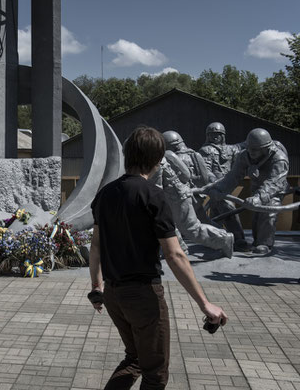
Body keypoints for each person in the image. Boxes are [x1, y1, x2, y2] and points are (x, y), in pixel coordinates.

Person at [89, 127, 228, 389]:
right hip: (143, 296)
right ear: (157, 159)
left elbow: (95, 245)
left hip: (113, 294)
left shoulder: (104, 195)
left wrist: (96, 288)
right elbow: (174, 254)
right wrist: (204, 304)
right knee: (155, 372)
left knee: (135, 359)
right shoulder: (154, 196)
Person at [208, 128, 289, 254]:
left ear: (265, 148)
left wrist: (259, 197)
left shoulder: (279, 158)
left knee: (269, 209)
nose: (251, 152)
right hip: (257, 188)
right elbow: (233, 176)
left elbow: (274, 183)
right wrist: (219, 189)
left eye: (255, 150)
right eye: (249, 148)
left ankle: (264, 243)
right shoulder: (244, 155)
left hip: (276, 190)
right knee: (253, 214)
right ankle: (243, 240)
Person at [154, 150, 234, 259]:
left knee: (191, 228)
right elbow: (185, 175)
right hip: (176, 195)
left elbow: (155, 189)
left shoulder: (154, 162)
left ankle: (224, 239)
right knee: (170, 224)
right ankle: (179, 249)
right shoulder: (159, 157)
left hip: (177, 198)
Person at [198, 122, 249, 251]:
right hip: (215, 186)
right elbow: (206, 170)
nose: (215, 137)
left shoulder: (231, 149)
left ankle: (214, 238)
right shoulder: (206, 150)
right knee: (228, 207)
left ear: (223, 136)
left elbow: (245, 145)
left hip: (228, 184)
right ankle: (239, 239)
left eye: (218, 134)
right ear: (207, 136)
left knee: (217, 212)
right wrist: (215, 182)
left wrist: (258, 136)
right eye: (212, 134)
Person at [163, 130, 214, 223]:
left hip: (182, 196)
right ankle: (225, 235)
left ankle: (224, 236)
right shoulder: (195, 155)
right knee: (202, 220)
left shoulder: (170, 158)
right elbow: (205, 178)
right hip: (196, 196)